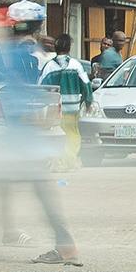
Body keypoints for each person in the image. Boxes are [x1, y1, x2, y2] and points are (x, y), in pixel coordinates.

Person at [0, 1, 81, 266]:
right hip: (26, 135)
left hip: (16, 137)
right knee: (16, 186)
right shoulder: (38, 54)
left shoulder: (19, 54)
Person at [39, 32, 94, 169]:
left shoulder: (49, 66)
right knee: (72, 134)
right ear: (69, 48)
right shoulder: (76, 65)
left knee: (57, 135)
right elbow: (86, 85)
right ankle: (70, 160)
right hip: (72, 109)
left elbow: (40, 87)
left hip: (55, 110)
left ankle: (58, 162)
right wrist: (88, 102)